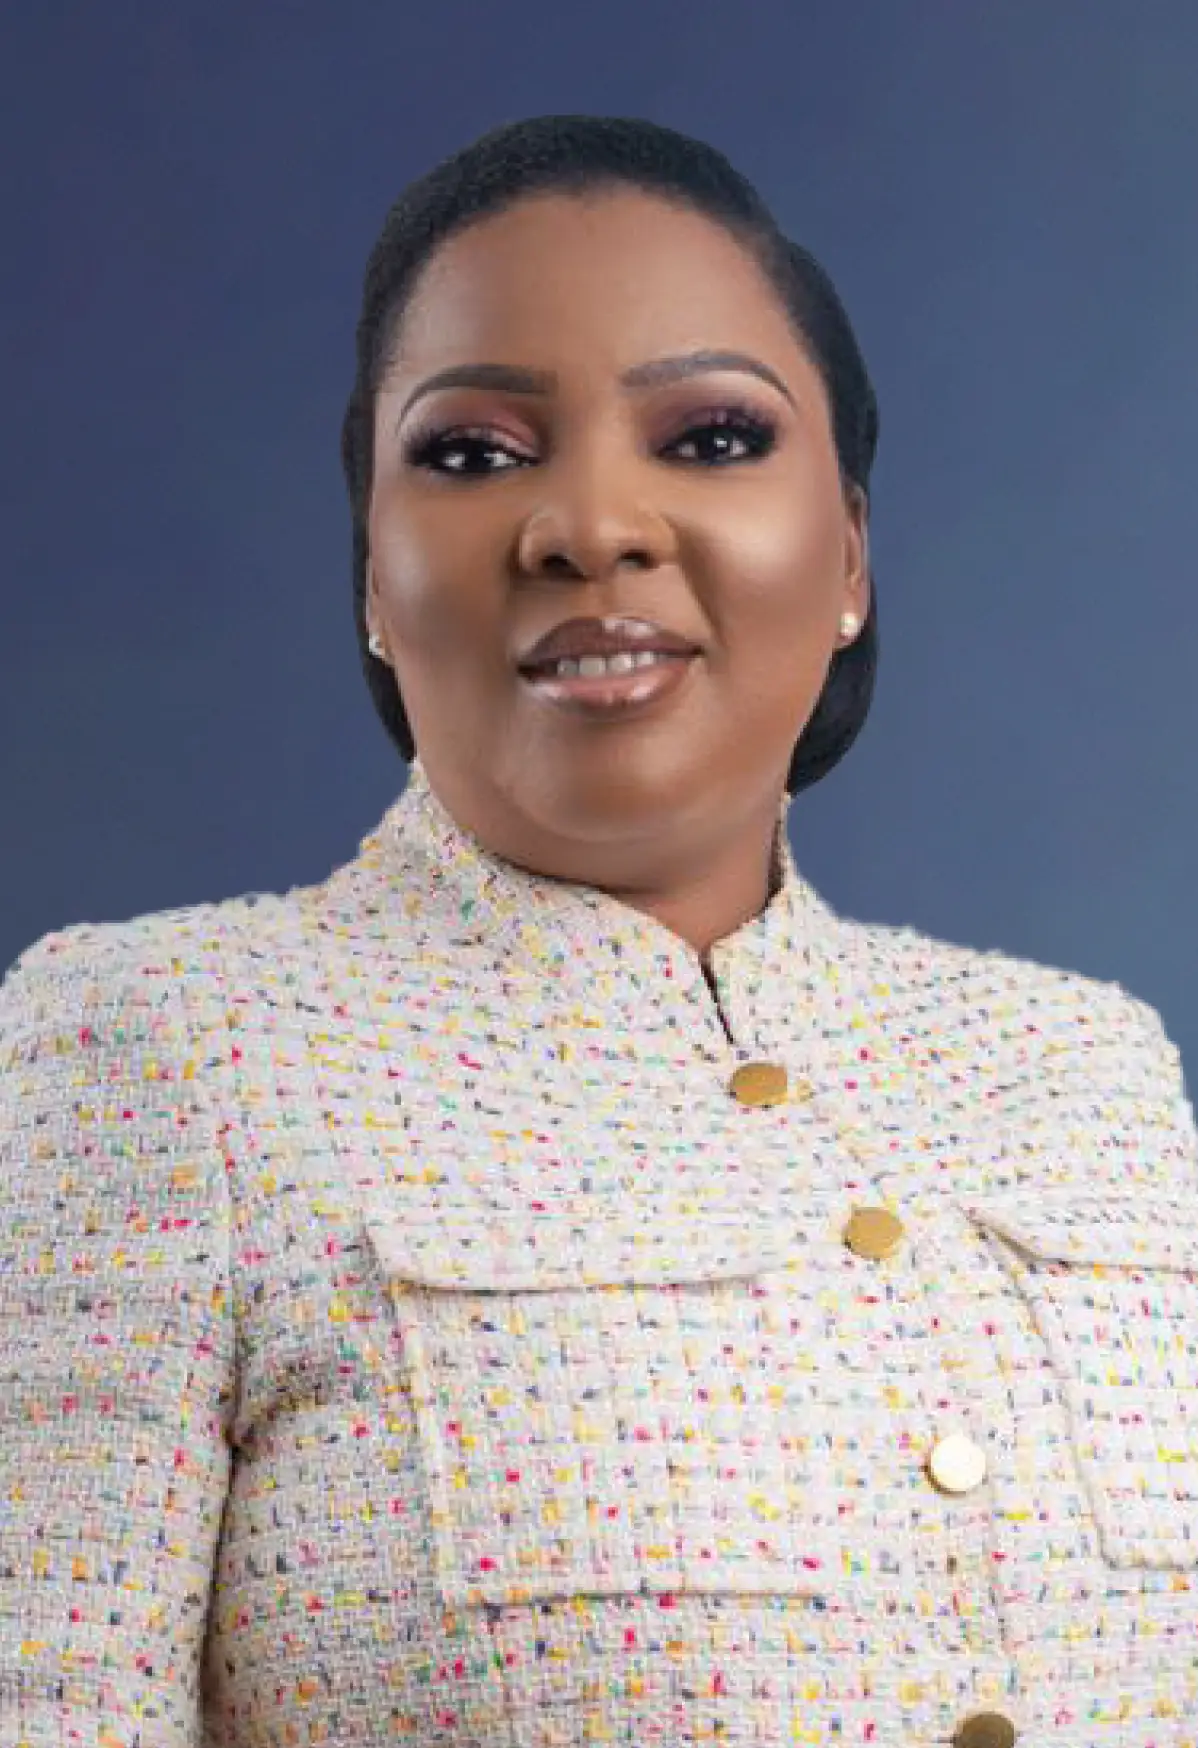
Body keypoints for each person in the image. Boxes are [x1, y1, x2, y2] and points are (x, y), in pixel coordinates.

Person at [1, 112, 1195, 1748]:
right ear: (373, 580)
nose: (590, 525)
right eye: (472, 453)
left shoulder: (1088, 1067)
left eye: (709, 437)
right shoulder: (160, 1050)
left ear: (848, 553)